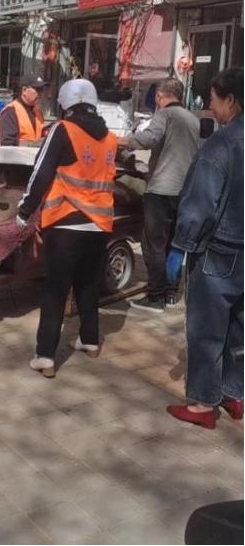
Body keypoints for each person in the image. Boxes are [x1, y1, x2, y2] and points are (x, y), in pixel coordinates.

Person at [17, 79, 117, 377]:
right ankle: (90, 340)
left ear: (65, 104)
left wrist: (24, 210)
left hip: (65, 222)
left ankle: (46, 356)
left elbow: (41, 172)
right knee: (88, 285)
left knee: (55, 289)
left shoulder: (63, 129)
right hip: (100, 224)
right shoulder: (110, 137)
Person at [165, 67, 243, 429]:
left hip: (218, 253)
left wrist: (180, 246)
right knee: (239, 325)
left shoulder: (221, 145)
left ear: (231, 100)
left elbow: (200, 204)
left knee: (206, 328)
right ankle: (234, 393)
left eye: (213, 99)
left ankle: (203, 404)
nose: (210, 107)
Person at [117, 77, 200, 313]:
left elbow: (149, 138)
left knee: (153, 244)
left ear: (159, 96)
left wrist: (122, 141)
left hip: (161, 190)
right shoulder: (192, 119)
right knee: (174, 243)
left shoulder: (165, 114)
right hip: (184, 191)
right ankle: (171, 292)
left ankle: (155, 297)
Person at [0, 75, 47, 146]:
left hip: (35, 153)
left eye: (42, 90)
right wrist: (31, 146)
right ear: (24, 90)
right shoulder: (10, 111)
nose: (41, 93)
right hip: (17, 153)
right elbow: (7, 144)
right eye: (37, 89)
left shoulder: (38, 112)